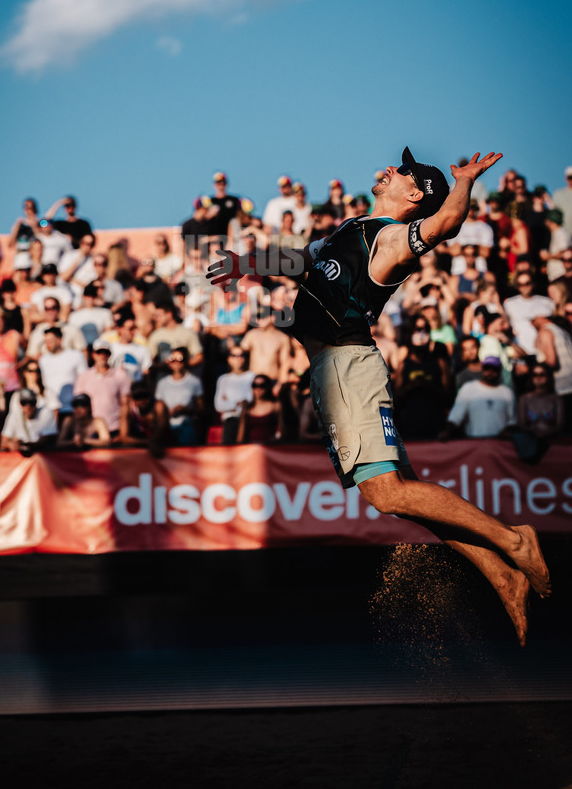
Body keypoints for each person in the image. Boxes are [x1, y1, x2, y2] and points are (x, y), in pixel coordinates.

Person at [208, 146, 551, 647]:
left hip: (348, 366)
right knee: (407, 497)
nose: (391, 168)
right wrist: (248, 261)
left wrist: (463, 182)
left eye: (403, 172)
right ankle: (502, 574)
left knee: (386, 493)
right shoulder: (354, 229)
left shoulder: (392, 238)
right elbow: (303, 259)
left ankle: (514, 540)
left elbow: (445, 224)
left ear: (413, 194)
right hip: (338, 368)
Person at [440, 356, 516, 440]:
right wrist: (447, 432)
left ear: (500, 370)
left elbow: (513, 421)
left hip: (499, 445)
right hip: (474, 443)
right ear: (482, 369)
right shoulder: (468, 388)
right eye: (487, 368)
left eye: (494, 369)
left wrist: (506, 432)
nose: (490, 372)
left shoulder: (507, 393)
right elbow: (455, 417)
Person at [74, 339, 131, 441]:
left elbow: (125, 404)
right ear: (93, 355)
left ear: (109, 355)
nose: (102, 356)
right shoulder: (84, 377)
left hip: (114, 428)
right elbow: (79, 407)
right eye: (99, 353)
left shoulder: (120, 375)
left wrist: (123, 433)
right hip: (92, 430)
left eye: (106, 353)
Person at [154, 347, 204, 446]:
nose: (176, 362)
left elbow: (201, 408)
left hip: (187, 427)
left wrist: (186, 410)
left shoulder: (194, 382)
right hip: (167, 427)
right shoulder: (162, 383)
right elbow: (158, 408)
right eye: (172, 359)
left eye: (179, 359)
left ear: (185, 360)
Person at [214, 346, 255, 444]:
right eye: (234, 355)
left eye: (241, 355)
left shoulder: (251, 376)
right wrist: (237, 404)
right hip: (229, 420)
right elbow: (219, 405)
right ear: (229, 359)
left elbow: (250, 399)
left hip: (248, 419)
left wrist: (230, 403)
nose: (238, 358)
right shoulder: (223, 379)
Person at [0, 387, 58, 454]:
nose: (28, 407)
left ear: (36, 403)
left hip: (43, 456)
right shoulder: (14, 415)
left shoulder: (46, 413)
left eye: (31, 402)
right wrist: (10, 444)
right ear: (20, 404)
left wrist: (24, 445)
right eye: (24, 403)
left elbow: (47, 439)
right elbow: (3, 442)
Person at [237, 373, 282, 443]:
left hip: (271, 449)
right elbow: (241, 434)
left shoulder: (275, 406)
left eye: (262, 386)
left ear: (268, 387)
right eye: (254, 385)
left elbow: (282, 431)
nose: (258, 389)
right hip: (250, 450)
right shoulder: (247, 408)